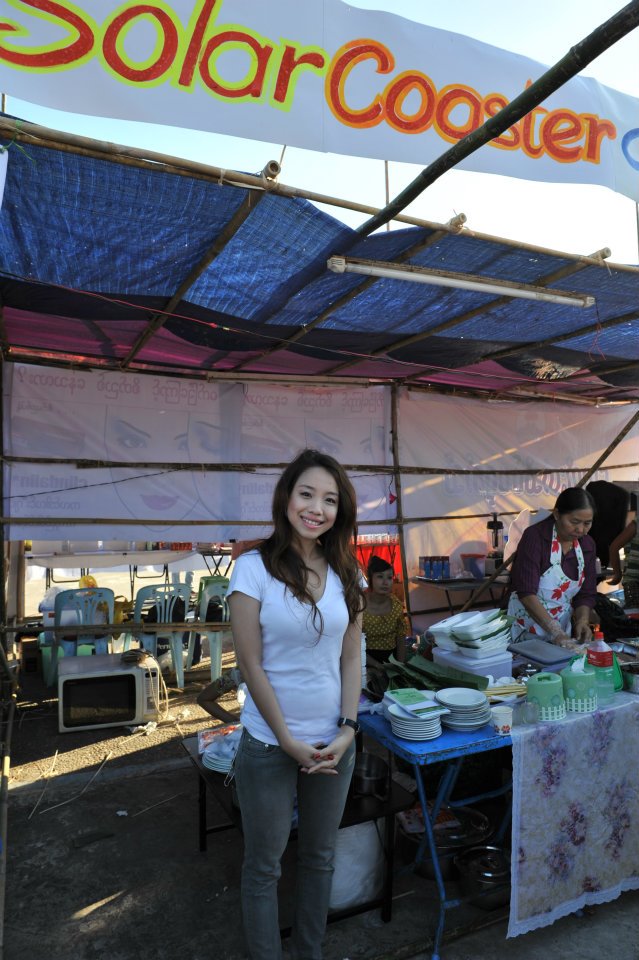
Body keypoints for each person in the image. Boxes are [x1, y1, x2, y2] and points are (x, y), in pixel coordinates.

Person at [227, 448, 364, 960]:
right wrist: (286, 740)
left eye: (329, 500)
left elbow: (352, 657)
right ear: (286, 498)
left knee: (319, 858)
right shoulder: (252, 569)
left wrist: (348, 729)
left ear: (340, 511)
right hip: (269, 744)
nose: (316, 508)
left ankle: (311, 952)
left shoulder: (347, 571)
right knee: (264, 866)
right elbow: (250, 664)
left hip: (334, 743)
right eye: (306, 494)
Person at [507, 487, 597, 649]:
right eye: (574, 522)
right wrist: (555, 631)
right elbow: (526, 593)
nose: (580, 529)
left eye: (587, 523)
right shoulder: (535, 537)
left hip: (562, 628)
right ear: (556, 514)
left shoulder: (587, 545)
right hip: (526, 626)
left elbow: (586, 594)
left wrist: (582, 620)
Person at [362, 555, 407, 663]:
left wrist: (401, 666)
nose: (385, 582)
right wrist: (376, 666)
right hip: (364, 660)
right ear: (370, 579)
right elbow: (353, 645)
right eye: (380, 577)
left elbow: (400, 638)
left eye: (389, 578)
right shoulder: (359, 605)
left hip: (391, 660)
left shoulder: (396, 605)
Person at [607, 519, 639, 607]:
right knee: (634, 612)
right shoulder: (636, 525)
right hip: (634, 582)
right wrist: (617, 574)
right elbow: (614, 547)